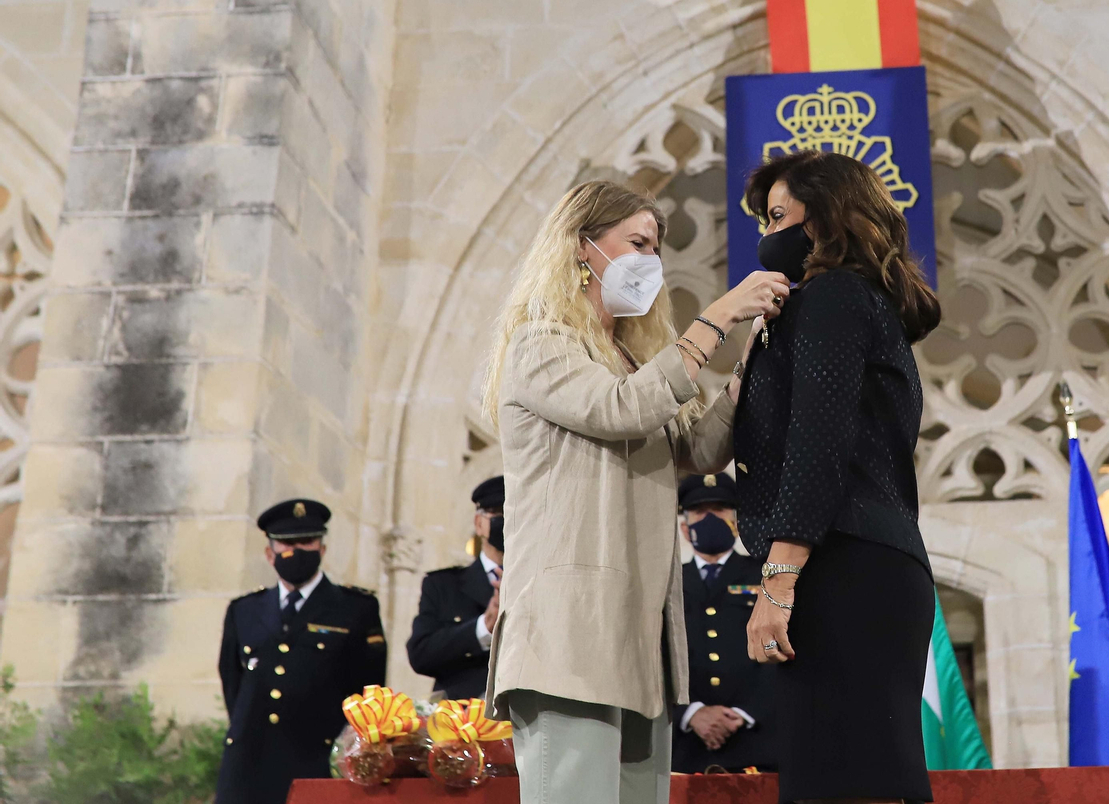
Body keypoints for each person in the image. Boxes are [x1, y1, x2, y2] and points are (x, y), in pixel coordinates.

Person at [478, 180, 789, 804]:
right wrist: (719, 317)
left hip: (636, 632)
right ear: (580, 246)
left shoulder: (626, 357)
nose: (651, 263)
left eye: (657, 249)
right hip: (569, 633)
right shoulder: (542, 343)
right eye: (638, 243)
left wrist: (751, 356)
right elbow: (620, 411)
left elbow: (699, 451)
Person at [736, 150, 942, 804]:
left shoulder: (832, 296)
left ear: (822, 219)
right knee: (853, 776)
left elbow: (818, 443)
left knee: (847, 779)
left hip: (842, 567)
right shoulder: (857, 301)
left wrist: (780, 576)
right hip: (867, 564)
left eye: (776, 216)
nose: (765, 236)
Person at [216, 499, 387, 804]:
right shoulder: (243, 610)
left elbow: (368, 690)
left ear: (322, 548)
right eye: (287, 543)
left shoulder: (354, 608)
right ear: (270, 553)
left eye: (307, 542)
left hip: (316, 761)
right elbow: (233, 684)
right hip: (248, 766)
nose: (297, 551)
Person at [672, 473, 779, 774]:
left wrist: (744, 713)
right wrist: (690, 713)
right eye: (700, 511)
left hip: (759, 739)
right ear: (684, 526)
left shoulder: (768, 577)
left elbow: (786, 646)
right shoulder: (667, 582)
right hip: (683, 747)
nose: (710, 518)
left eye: (719, 509)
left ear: (736, 522)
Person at [407, 476, 507, 700]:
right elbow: (421, 654)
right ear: (479, 524)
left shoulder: (543, 585)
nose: (508, 522)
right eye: (499, 514)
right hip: (462, 722)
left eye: (516, 514)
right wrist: (483, 627)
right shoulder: (444, 585)